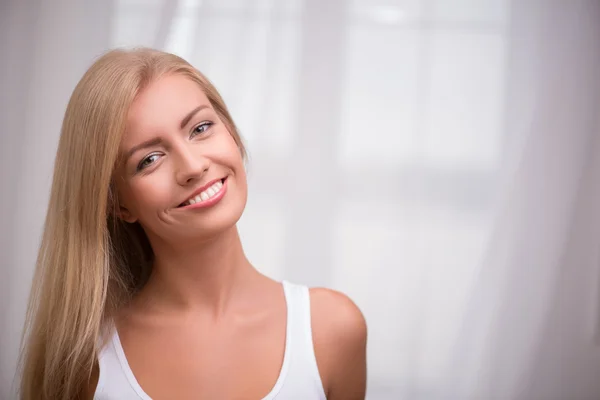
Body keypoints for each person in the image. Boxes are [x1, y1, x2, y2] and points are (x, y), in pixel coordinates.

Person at [18, 48, 367, 400]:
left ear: (229, 131)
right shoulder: (87, 364)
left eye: (201, 128)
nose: (193, 166)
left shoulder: (333, 330)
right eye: (150, 159)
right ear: (117, 203)